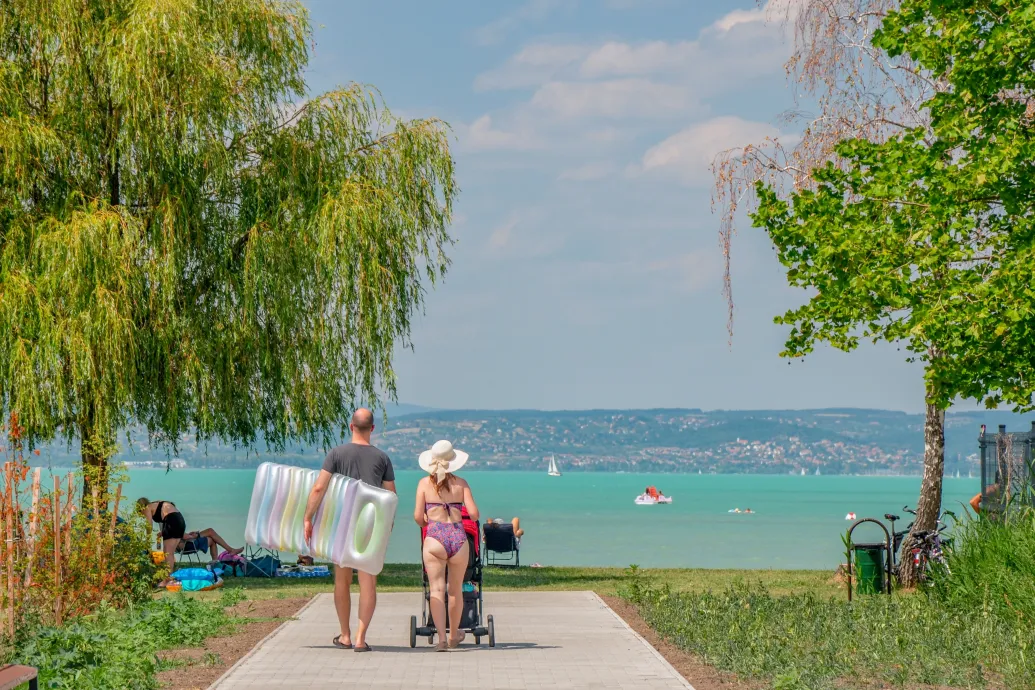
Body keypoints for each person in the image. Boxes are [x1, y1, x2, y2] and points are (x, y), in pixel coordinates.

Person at [303, 408, 396, 653]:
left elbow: (318, 489)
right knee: (368, 584)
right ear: (373, 429)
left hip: (341, 525)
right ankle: (360, 639)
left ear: (351, 426)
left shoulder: (336, 454)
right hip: (370, 527)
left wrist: (307, 518)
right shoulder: (383, 458)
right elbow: (390, 497)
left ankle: (345, 635)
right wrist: (387, 528)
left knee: (341, 582)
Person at [414, 439, 479, 651]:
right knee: (455, 591)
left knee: (436, 589)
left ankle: (441, 639)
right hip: (458, 537)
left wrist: (427, 519)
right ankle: (453, 636)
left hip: (434, 536)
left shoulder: (424, 484)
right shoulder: (462, 483)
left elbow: (417, 517)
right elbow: (475, 514)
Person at [136, 498, 242, 583]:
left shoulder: (147, 508)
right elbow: (165, 520)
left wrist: (147, 540)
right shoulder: (158, 504)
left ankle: (167, 579)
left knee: (168, 553)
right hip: (179, 519)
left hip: (172, 521)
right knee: (168, 552)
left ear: (140, 507)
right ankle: (168, 578)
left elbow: (148, 525)